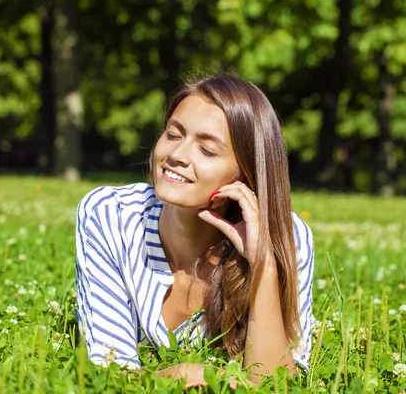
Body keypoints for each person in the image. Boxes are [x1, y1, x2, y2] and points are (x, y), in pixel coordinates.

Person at [75, 75, 314, 387]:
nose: (177, 155)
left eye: (208, 150)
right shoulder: (111, 215)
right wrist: (207, 379)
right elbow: (110, 371)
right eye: (173, 135)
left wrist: (263, 266)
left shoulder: (288, 236)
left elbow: (278, 382)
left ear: (246, 174)